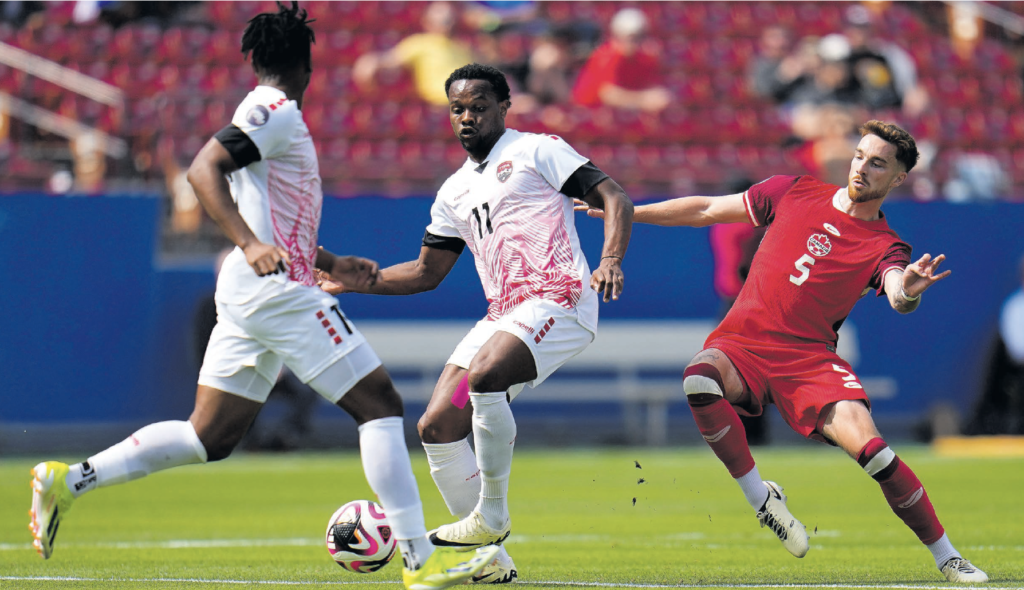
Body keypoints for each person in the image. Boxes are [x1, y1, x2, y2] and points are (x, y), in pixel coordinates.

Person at [28, 4, 498, 587]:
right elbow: (204, 169)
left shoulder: (271, 116)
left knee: (211, 435)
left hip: (259, 291)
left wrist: (328, 260)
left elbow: (274, 211)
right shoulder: (272, 109)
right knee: (377, 404)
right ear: (307, 65)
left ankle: (67, 480)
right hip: (276, 292)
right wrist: (249, 245)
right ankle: (418, 564)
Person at [576, 120, 988, 583]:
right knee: (698, 380)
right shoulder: (792, 190)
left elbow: (897, 294)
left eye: (878, 164)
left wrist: (908, 290)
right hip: (744, 343)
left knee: (876, 454)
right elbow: (709, 208)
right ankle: (762, 499)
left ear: (897, 179)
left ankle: (948, 557)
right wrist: (629, 212)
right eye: (859, 156)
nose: (862, 168)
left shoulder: (885, 245)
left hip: (810, 362)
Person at [321, 63, 633, 584]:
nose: (467, 117)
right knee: (438, 425)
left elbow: (614, 197)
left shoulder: (537, 150)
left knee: (487, 375)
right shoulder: (453, 192)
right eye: (457, 109)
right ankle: (492, 567)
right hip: (504, 316)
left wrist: (611, 259)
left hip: (559, 303)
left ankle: (491, 515)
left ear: (503, 107)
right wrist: (355, 280)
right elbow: (425, 273)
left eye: (479, 106)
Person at [352, 2, 473, 107]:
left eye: (450, 19)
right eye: (444, 20)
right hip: (440, 105)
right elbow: (390, 60)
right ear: (427, 21)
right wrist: (370, 62)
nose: (448, 24)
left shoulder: (462, 47)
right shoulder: (420, 43)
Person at [570, 7, 671, 113]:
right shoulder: (607, 55)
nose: (634, 43)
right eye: (631, 37)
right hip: (587, 115)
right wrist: (644, 100)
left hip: (616, 117)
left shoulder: (644, 58)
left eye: (639, 37)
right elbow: (608, 95)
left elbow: (651, 87)